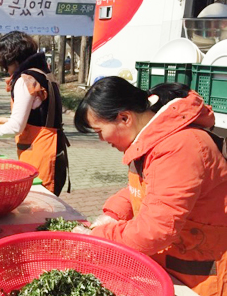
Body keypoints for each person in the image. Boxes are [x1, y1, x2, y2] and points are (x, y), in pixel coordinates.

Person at [72, 76, 227, 296]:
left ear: (124, 117)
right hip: (171, 264)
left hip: (198, 276)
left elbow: (155, 229)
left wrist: (99, 237)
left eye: (99, 131)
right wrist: (114, 213)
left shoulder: (179, 146)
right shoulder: (152, 140)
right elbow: (151, 189)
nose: (102, 140)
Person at [0, 31, 70, 195]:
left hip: (40, 153)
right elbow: (39, 116)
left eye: (6, 64)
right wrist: (5, 120)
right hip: (55, 149)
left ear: (13, 59)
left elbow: (16, 127)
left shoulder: (25, 80)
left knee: (39, 202)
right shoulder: (44, 74)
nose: (6, 70)